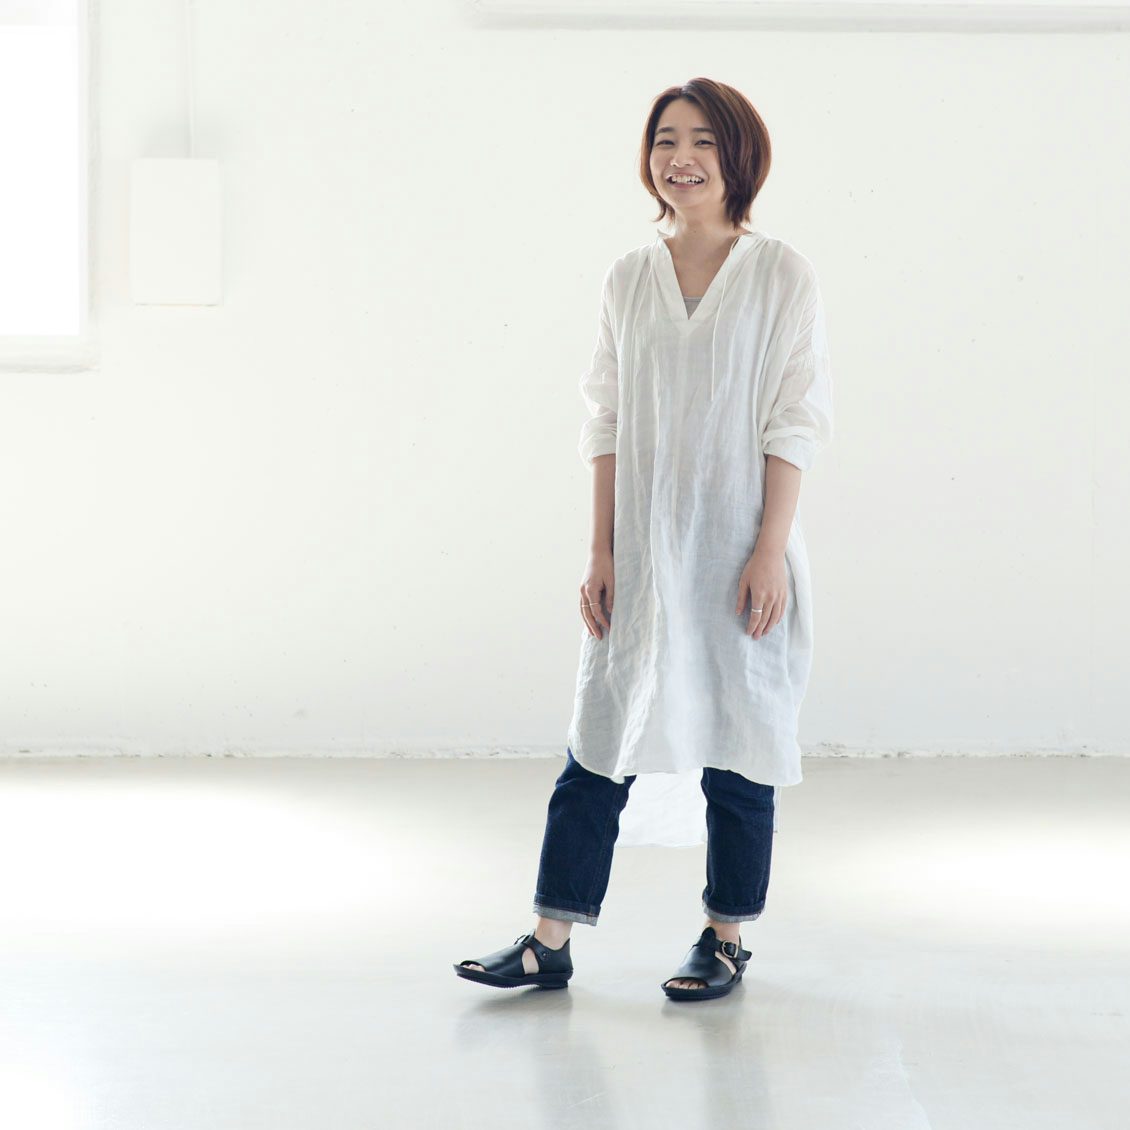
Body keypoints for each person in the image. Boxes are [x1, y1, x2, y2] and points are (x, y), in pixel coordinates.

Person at [454, 77, 833, 1001]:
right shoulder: (628, 277)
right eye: (666, 139)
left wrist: (769, 549)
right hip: (643, 553)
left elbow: (795, 419)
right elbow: (607, 419)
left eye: (703, 140)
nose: (681, 157)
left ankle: (725, 937)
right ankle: (549, 940)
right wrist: (601, 550)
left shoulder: (780, 274)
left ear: (739, 156)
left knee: (739, 747)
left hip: (738, 548)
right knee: (599, 741)